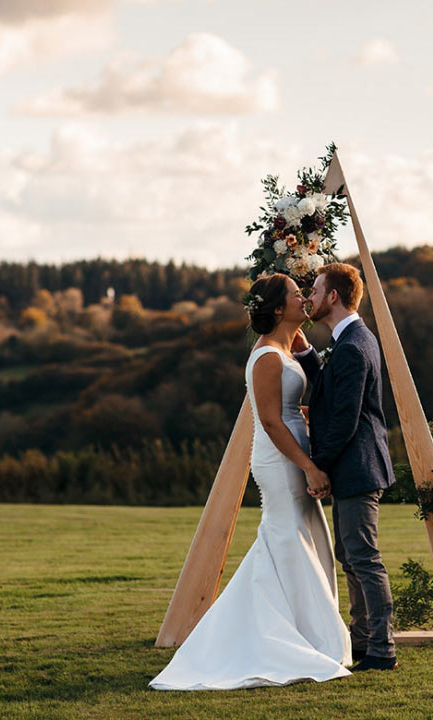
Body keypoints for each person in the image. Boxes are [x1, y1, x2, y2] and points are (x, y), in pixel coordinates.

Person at [149, 274, 351, 690]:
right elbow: (273, 422)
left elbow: (292, 412)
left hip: (294, 452)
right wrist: (309, 466)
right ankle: (293, 638)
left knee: (304, 538)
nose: (303, 299)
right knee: (286, 540)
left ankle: (305, 632)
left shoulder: (285, 349)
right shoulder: (266, 358)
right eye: (297, 295)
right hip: (280, 461)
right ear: (278, 309)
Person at [292, 262, 399, 672]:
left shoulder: (353, 344)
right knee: (351, 557)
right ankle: (361, 641)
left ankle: (382, 649)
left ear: (333, 296)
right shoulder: (350, 339)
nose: (309, 298)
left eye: (315, 291)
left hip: (357, 467)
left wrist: (315, 467)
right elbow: (331, 389)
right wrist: (304, 353)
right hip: (353, 467)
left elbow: (344, 419)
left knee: (364, 558)